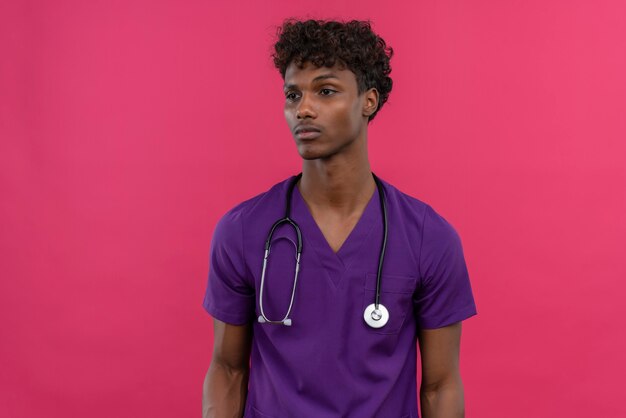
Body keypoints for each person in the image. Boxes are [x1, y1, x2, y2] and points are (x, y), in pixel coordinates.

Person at [202, 19, 477, 418]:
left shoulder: (427, 237)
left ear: (369, 100)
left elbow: (440, 385)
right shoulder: (242, 230)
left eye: (325, 91)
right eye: (293, 95)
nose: (304, 109)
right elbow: (227, 370)